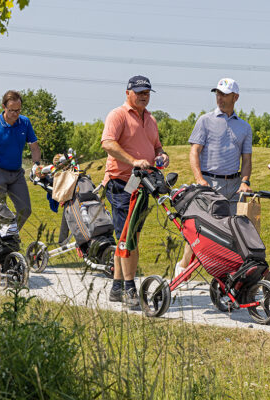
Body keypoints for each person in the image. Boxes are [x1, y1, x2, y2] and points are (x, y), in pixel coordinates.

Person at [101, 75, 169, 308]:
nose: (144, 96)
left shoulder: (150, 119)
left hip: (143, 184)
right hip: (121, 182)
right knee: (127, 236)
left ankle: (117, 286)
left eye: (147, 92)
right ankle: (130, 288)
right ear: (128, 92)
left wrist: (162, 156)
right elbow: (108, 143)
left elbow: (156, 146)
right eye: (139, 92)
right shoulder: (117, 115)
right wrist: (134, 160)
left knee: (131, 236)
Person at [175, 78, 253, 281]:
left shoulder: (244, 127)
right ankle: (183, 269)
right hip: (209, 183)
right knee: (199, 229)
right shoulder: (205, 120)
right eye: (217, 93)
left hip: (234, 185)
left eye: (224, 94)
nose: (220, 98)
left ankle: (231, 278)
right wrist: (199, 178)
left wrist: (245, 181)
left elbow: (247, 159)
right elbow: (194, 152)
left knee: (235, 231)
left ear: (235, 97)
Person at [0, 90, 41, 230]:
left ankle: (11, 236)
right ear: (4, 107)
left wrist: (37, 165)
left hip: (16, 173)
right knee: (0, 212)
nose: (15, 114)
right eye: (12, 110)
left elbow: (35, 148)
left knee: (25, 209)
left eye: (18, 110)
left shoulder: (24, 122)